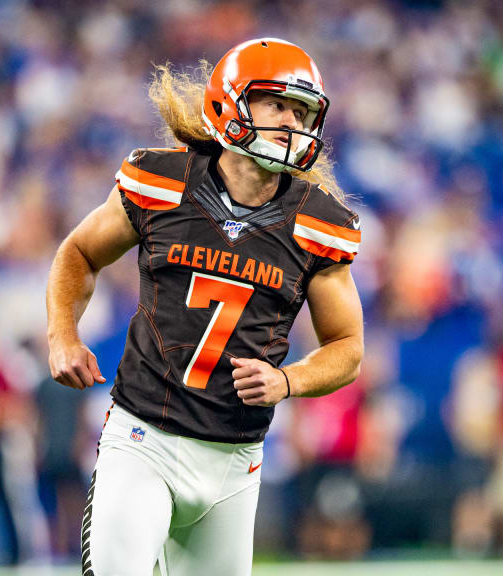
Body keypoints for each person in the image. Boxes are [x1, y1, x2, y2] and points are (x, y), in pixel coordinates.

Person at [46, 38, 363, 575]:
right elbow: (78, 251)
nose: (292, 122)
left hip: (233, 461)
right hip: (143, 438)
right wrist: (62, 334)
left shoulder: (318, 224)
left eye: (303, 111)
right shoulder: (162, 183)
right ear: (231, 104)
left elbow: (348, 347)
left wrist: (288, 382)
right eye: (277, 105)